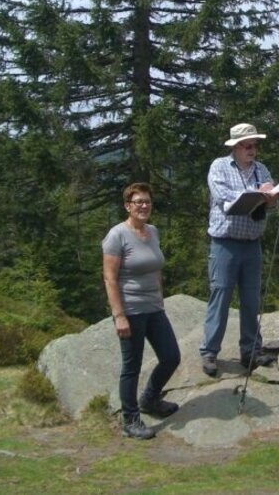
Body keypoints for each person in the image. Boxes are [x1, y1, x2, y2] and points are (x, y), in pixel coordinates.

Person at [200, 122, 279, 376]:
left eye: (255, 145)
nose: (252, 150)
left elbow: (270, 206)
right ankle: (210, 351)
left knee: (251, 299)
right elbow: (224, 196)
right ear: (235, 147)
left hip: (252, 244)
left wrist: (271, 198)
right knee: (221, 295)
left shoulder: (262, 170)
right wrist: (255, 192)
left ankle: (251, 351)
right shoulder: (219, 166)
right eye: (247, 145)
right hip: (225, 242)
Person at [101, 182, 182, 440]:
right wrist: (119, 316)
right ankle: (131, 419)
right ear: (128, 206)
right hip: (131, 310)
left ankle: (150, 398)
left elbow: (156, 267)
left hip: (154, 307)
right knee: (131, 366)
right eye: (138, 202)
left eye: (147, 201)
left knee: (171, 357)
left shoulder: (153, 232)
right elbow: (110, 278)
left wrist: (160, 296)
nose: (144, 206)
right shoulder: (117, 236)